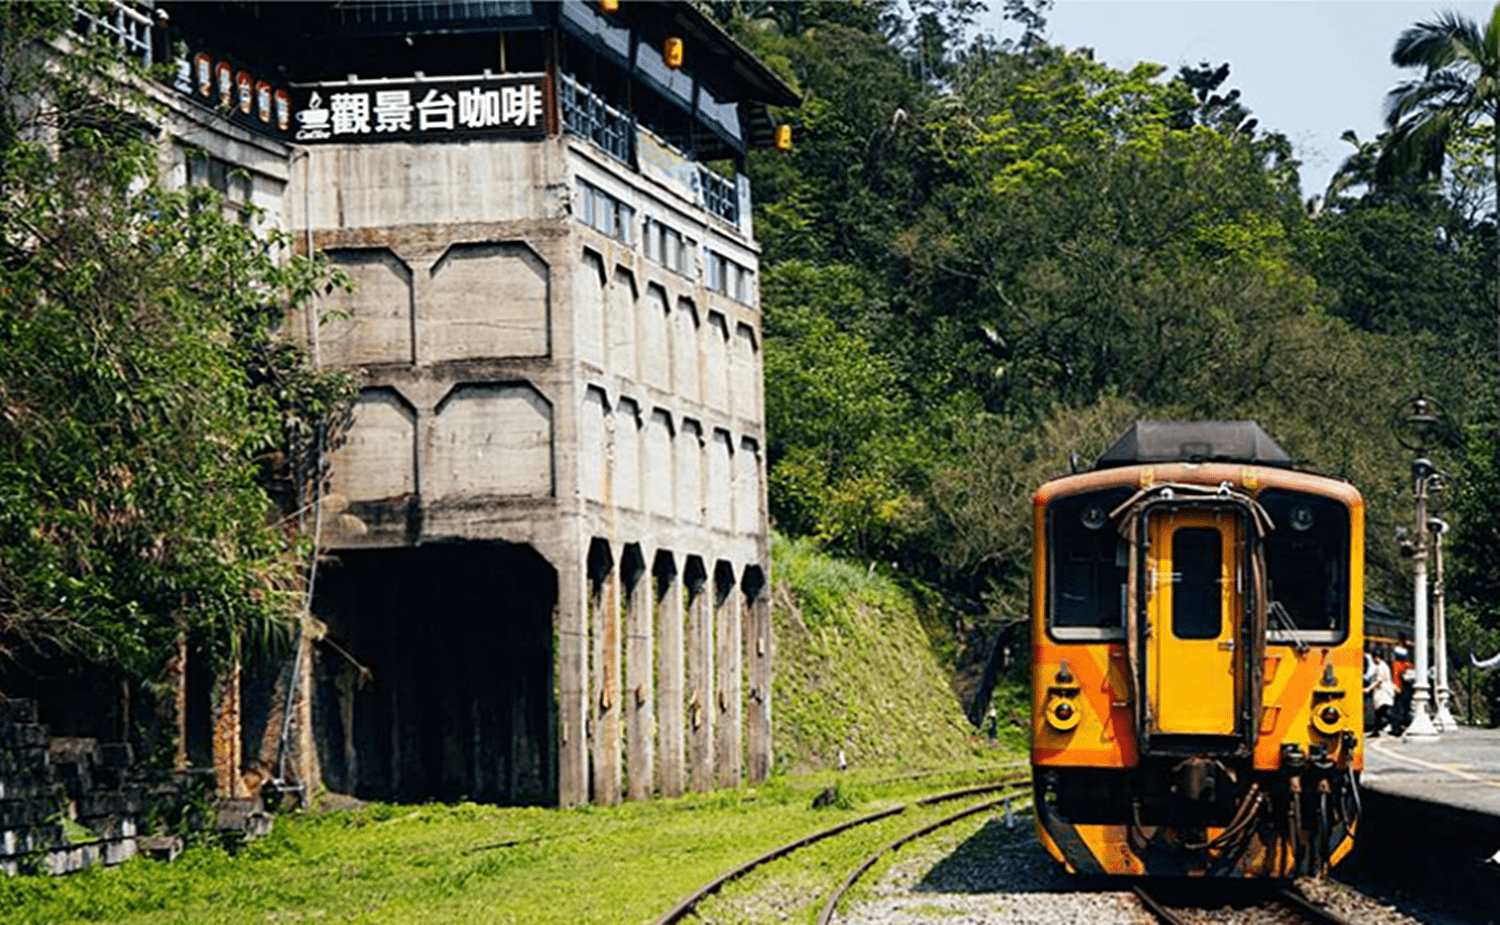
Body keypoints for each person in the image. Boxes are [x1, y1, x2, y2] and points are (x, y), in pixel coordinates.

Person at [1365, 647, 1395, 737]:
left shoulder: (1381, 667)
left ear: (1376, 657)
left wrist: (1368, 688)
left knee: (1385, 712)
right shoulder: (1383, 666)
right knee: (1379, 713)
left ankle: (1397, 727)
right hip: (1382, 693)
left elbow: (1378, 681)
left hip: (1383, 693)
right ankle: (1375, 731)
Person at [1391, 643, 1415, 734]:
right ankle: (1405, 724)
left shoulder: (1396, 664)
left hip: (1400, 688)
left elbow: (1395, 676)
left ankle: (1396, 728)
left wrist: (1396, 686)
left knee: (1396, 709)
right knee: (1406, 708)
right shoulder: (1408, 664)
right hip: (1408, 689)